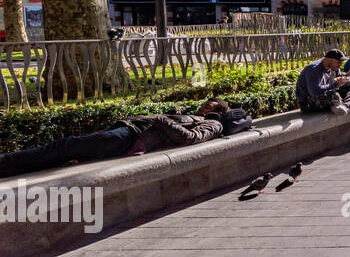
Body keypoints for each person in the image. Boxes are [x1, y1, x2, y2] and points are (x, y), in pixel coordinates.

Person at [0, 99, 235, 179]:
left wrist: (163, 119)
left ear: (219, 110)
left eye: (210, 104)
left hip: (130, 136)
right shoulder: (195, 114)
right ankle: (10, 166)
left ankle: (5, 162)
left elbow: (190, 138)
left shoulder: (212, 123)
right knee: (67, 151)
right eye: (205, 103)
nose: (204, 105)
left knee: (67, 145)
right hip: (127, 132)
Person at [296, 48, 350, 115]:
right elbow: (314, 92)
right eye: (339, 61)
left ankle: (344, 105)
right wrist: (336, 84)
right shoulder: (314, 69)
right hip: (308, 103)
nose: (341, 64)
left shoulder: (335, 68)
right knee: (334, 94)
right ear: (329, 59)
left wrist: (349, 76)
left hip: (326, 96)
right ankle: (343, 103)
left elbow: (342, 84)